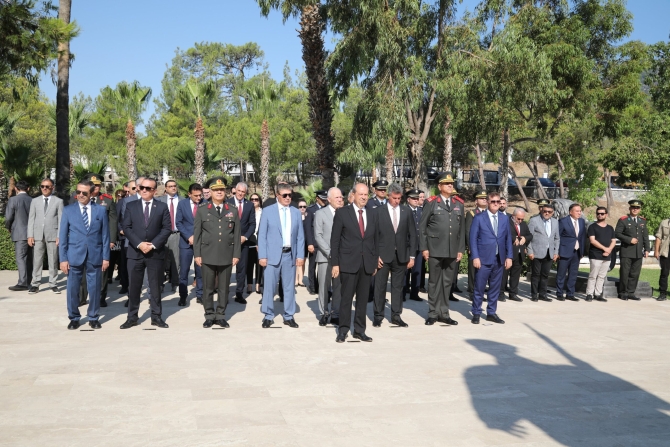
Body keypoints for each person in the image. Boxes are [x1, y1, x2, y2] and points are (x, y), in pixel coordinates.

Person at [119, 178, 172, 329]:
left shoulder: (161, 207)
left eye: (148, 188)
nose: (143, 190)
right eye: (141, 187)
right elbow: (126, 227)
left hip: (155, 253)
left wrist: (153, 244)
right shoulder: (130, 205)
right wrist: (140, 244)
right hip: (135, 252)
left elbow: (166, 228)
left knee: (155, 286)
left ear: (155, 191)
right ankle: (132, 317)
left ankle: (156, 317)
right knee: (134, 287)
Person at [331, 183, 379, 342]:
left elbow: (375, 240)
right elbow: (335, 240)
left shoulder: (372, 214)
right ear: (354, 195)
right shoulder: (342, 213)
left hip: (366, 264)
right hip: (348, 263)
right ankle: (343, 330)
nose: (364, 197)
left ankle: (359, 330)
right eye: (361, 194)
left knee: (363, 300)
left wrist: (373, 262)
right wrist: (335, 263)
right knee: (346, 299)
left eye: (366, 195)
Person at [59, 180, 110, 330]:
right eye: (78, 192)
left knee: (94, 288)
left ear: (92, 193)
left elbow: (105, 236)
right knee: (73, 289)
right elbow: (63, 237)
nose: (80, 195)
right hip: (74, 255)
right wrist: (63, 259)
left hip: (95, 254)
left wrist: (106, 257)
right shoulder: (68, 210)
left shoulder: (100, 210)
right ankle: (74, 317)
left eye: (84, 193)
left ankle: (93, 317)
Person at [194, 177, 241, 328]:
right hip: (207, 254)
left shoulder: (232, 210)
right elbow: (197, 234)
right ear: (211, 192)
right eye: (216, 190)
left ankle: (220, 315)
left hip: (227, 255)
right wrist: (197, 254)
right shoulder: (202, 210)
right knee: (208, 288)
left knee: (224, 288)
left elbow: (237, 233)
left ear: (225, 191)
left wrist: (236, 254)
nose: (219, 192)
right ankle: (209, 315)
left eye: (221, 190)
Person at [418, 172, 464, 326]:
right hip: (435, 249)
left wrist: (460, 249)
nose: (450, 186)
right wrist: (424, 248)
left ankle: (444, 313)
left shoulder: (459, 203)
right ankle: (432, 313)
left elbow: (462, 230)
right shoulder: (431, 202)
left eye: (452, 183)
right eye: (447, 184)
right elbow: (422, 227)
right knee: (433, 282)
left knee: (447, 283)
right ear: (439, 186)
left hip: (451, 250)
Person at [258, 183, 305, 328]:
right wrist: (262, 256)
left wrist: (300, 255)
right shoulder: (267, 211)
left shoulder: (296, 212)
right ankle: (268, 315)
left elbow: (300, 236)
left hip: (289, 255)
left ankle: (289, 315)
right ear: (277, 195)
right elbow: (262, 235)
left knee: (289, 287)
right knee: (269, 287)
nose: (288, 198)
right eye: (284, 195)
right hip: (272, 255)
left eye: (290, 195)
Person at [373, 182, 417, 328]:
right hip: (383, 256)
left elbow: (412, 235)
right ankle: (378, 315)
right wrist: (375, 255)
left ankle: (396, 315)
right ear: (388, 195)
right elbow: (373, 236)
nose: (397, 201)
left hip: (401, 256)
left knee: (398, 287)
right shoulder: (378, 212)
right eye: (394, 198)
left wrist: (412, 256)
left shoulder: (406, 211)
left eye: (399, 198)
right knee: (380, 286)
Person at [469, 192, 513, 324]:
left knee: (495, 288)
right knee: (480, 287)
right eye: (493, 201)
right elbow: (473, 239)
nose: (496, 204)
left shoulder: (504, 218)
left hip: (499, 258)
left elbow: (508, 239)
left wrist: (509, 257)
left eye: (498, 202)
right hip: (483, 258)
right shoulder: (479, 218)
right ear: (488, 202)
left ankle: (491, 313)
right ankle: (476, 312)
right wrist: (475, 257)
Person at [79, 173, 117, 307]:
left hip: (101, 241)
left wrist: (112, 239)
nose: (96, 187)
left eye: (98, 185)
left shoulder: (106, 200)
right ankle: (82, 297)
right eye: (93, 185)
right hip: (82, 241)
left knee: (102, 270)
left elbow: (113, 221)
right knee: (82, 269)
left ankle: (101, 297)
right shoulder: (78, 199)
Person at [26, 178, 63, 294]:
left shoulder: (58, 201)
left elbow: (61, 220)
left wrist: (59, 236)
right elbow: (31, 219)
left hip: (52, 234)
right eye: (42, 186)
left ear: (53, 187)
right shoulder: (35, 201)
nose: (44, 188)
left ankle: (53, 283)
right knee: (37, 260)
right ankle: (35, 284)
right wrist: (30, 235)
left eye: (47, 186)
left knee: (53, 260)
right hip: (37, 234)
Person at [314, 187, 344, 326]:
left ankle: (335, 313)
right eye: (337, 197)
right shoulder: (320, 214)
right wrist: (330, 252)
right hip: (325, 257)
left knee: (338, 287)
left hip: (341, 258)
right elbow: (318, 236)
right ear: (329, 199)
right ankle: (324, 313)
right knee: (324, 287)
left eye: (341, 197)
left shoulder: (345, 213)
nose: (340, 199)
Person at [226, 182, 256, 304]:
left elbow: (252, 224)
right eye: (239, 191)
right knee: (226, 269)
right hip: (227, 242)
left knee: (241, 269)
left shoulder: (249, 205)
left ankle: (239, 293)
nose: (240, 194)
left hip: (243, 242)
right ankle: (224, 295)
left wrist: (245, 237)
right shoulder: (227, 203)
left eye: (243, 192)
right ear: (235, 190)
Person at [175, 183, 204, 306]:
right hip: (186, 244)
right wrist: (188, 236)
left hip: (201, 244)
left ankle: (200, 295)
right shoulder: (182, 204)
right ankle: (183, 296)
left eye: (200, 195)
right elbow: (179, 222)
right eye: (196, 195)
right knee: (184, 272)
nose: (198, 198)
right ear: (189, 194)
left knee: (200, 271)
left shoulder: (205, 204)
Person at [615, 199, 649, 301]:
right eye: (633, 207)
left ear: (639, 210)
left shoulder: (642, 221)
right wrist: (629, 239)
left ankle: (631, 292)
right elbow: (617, 233)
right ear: (630, 208)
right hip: (626, 250)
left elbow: (645, 236)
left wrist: (647, 249)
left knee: (635, 273)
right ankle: (623, 292)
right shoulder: (623, 220)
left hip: (638, 251)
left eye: (637, 208)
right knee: (625, 272)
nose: (635, 209)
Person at [527, 200, 560, 302]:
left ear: (552, 212)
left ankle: (543, 294)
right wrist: (530, 251)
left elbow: (557, 238)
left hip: (549, 253)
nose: (546, 213)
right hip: (536, 252)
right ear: (541, 210)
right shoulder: (534, 220)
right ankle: (534, 294)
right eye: (545, 211)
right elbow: (528, 237)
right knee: (536, 274)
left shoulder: (555, 222)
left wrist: (556, 252)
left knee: (545, 275)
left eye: (549, 212)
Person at [5, 180, 33, 291]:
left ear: (16, 189)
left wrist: (9, 227)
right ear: (28, 188)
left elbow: (8, 217)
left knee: (20, 257)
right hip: (32, 233)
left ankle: (23, 283)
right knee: (29, 258)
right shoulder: (33, 200)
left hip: (20, 232)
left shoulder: (13, 200)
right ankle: (28, 280)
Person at [555, 203, 586, 301]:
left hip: (576, 252)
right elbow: (557, 237)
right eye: (577, 211)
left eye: (580, 211)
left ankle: (570, 293)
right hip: (564, 251)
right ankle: (559, 293)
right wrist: (557, 252)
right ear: (570, 212)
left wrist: (582, 251)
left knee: (573, 273)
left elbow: (582, 237)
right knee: (561, 273)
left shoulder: (581, 222)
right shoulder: (563, 221)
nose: (579, 213)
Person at [585, 207, 615, 302]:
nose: (600, 215)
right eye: (598, 213)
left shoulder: (610, 228)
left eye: (602, 213)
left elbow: (613, 241)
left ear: (606, 214)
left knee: (602, 276)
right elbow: (592, 241)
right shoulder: (592, 227)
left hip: (607, 255)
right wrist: (605, 249)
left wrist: (609, 250)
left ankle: (598, 294)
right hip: (595, 255)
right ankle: (589, 294)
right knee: (593, 275)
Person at [156, 179, 181, 293]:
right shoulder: (159, 201)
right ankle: (159, 284)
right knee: (161, 259)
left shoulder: (182, 201)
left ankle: (175, 283)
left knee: (176, 260)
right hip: (162, 234)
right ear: (166, 188)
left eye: (175, 186)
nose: (173, 188)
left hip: (176, 234)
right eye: (170, 186)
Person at [503, 207, 532, 302]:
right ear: (513, 216)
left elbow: (530, 235)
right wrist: (512, 238)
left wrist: (525, 238)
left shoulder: (523, 224)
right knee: (504, 274)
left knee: (515, 275)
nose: (520, 221)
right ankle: (500, 293)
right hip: (508, 253)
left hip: (519, 253)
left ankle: (513, 293)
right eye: (518, 218)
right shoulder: (506, 222)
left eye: (522, 219)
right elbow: (503, 234)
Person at [465, 191, 489, 300]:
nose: (484, 199)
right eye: (481, 198)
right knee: (473, 271)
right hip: (475, 247)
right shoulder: (472, 213)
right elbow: (468, 231)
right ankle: (472, 292)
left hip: (486, 247)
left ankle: (479, 292)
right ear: (476, 201)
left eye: (485, 198)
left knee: (483, 271)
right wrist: (470, 246)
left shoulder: (490, 213)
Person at [304, 190, 327, 295]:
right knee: (312, 266)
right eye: (322, 199)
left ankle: (323, 287)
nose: (324, 201)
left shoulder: (327, 209)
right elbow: (308, 228)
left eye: (325, 199)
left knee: (324, 267)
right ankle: (313, 287)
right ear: (317, 198)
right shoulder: (311, 210)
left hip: (325, 243)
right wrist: (309, 243)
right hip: (314, 243)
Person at [404, 189, 424, 302]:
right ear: (408, 199)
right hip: (407, 246)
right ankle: (403, 291)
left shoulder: (421, 211)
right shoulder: (404, 210)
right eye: (414, 198)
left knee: (417, 271)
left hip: (419, 245)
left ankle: (414, 293)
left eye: (417, 198)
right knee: (405, 270)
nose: (416, 200)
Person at [117, 180, 135, 295]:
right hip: (125, 237)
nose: (136, 190)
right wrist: (121, 229)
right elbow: (118, 218)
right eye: (133, 188)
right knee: (124, 263)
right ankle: (124, 285)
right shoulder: (122, 202)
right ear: (127, 189)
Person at [246, 193, 263, 295]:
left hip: (260, 240)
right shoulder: (247, 211)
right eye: (252, 199)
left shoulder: (263, 212)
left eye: (256, 199)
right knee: (249, 264)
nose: (254, 201)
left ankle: (257, 284)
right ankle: (249, 285)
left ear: (259, 201)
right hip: (250, 239)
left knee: (259, 264)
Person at [655, 215, 670, 301]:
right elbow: (658, 237)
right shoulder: (664, 223)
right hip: (666, 251)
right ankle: (662, 293)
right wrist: (656, 251)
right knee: (664, 273)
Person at [296, 199, 309, 287]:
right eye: (300, 207)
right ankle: (296, 280)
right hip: (297, 242)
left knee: (303, 260)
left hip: (306, 242)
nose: (302, 208)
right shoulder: (295, 216)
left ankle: (301, 279)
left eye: (304, 207)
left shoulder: (308, 217)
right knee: (297, 261)